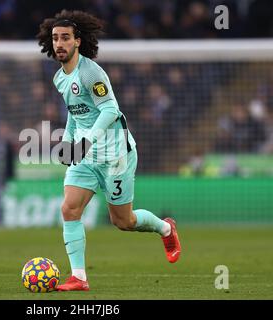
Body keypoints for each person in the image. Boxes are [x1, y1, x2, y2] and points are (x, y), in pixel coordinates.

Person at [37, 10, 181, 292]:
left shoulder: (90, 72)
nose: (59, 44)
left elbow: (110, 109)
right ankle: (79, 277)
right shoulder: (59, 78)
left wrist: (86, 140)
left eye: (65, 38)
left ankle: (166, 229)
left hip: (116, 155)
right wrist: (69, 142)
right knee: (69, 208)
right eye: (55, 39)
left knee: (123, 221)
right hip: (86, 156)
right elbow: (74, 113)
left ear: (77, 41)